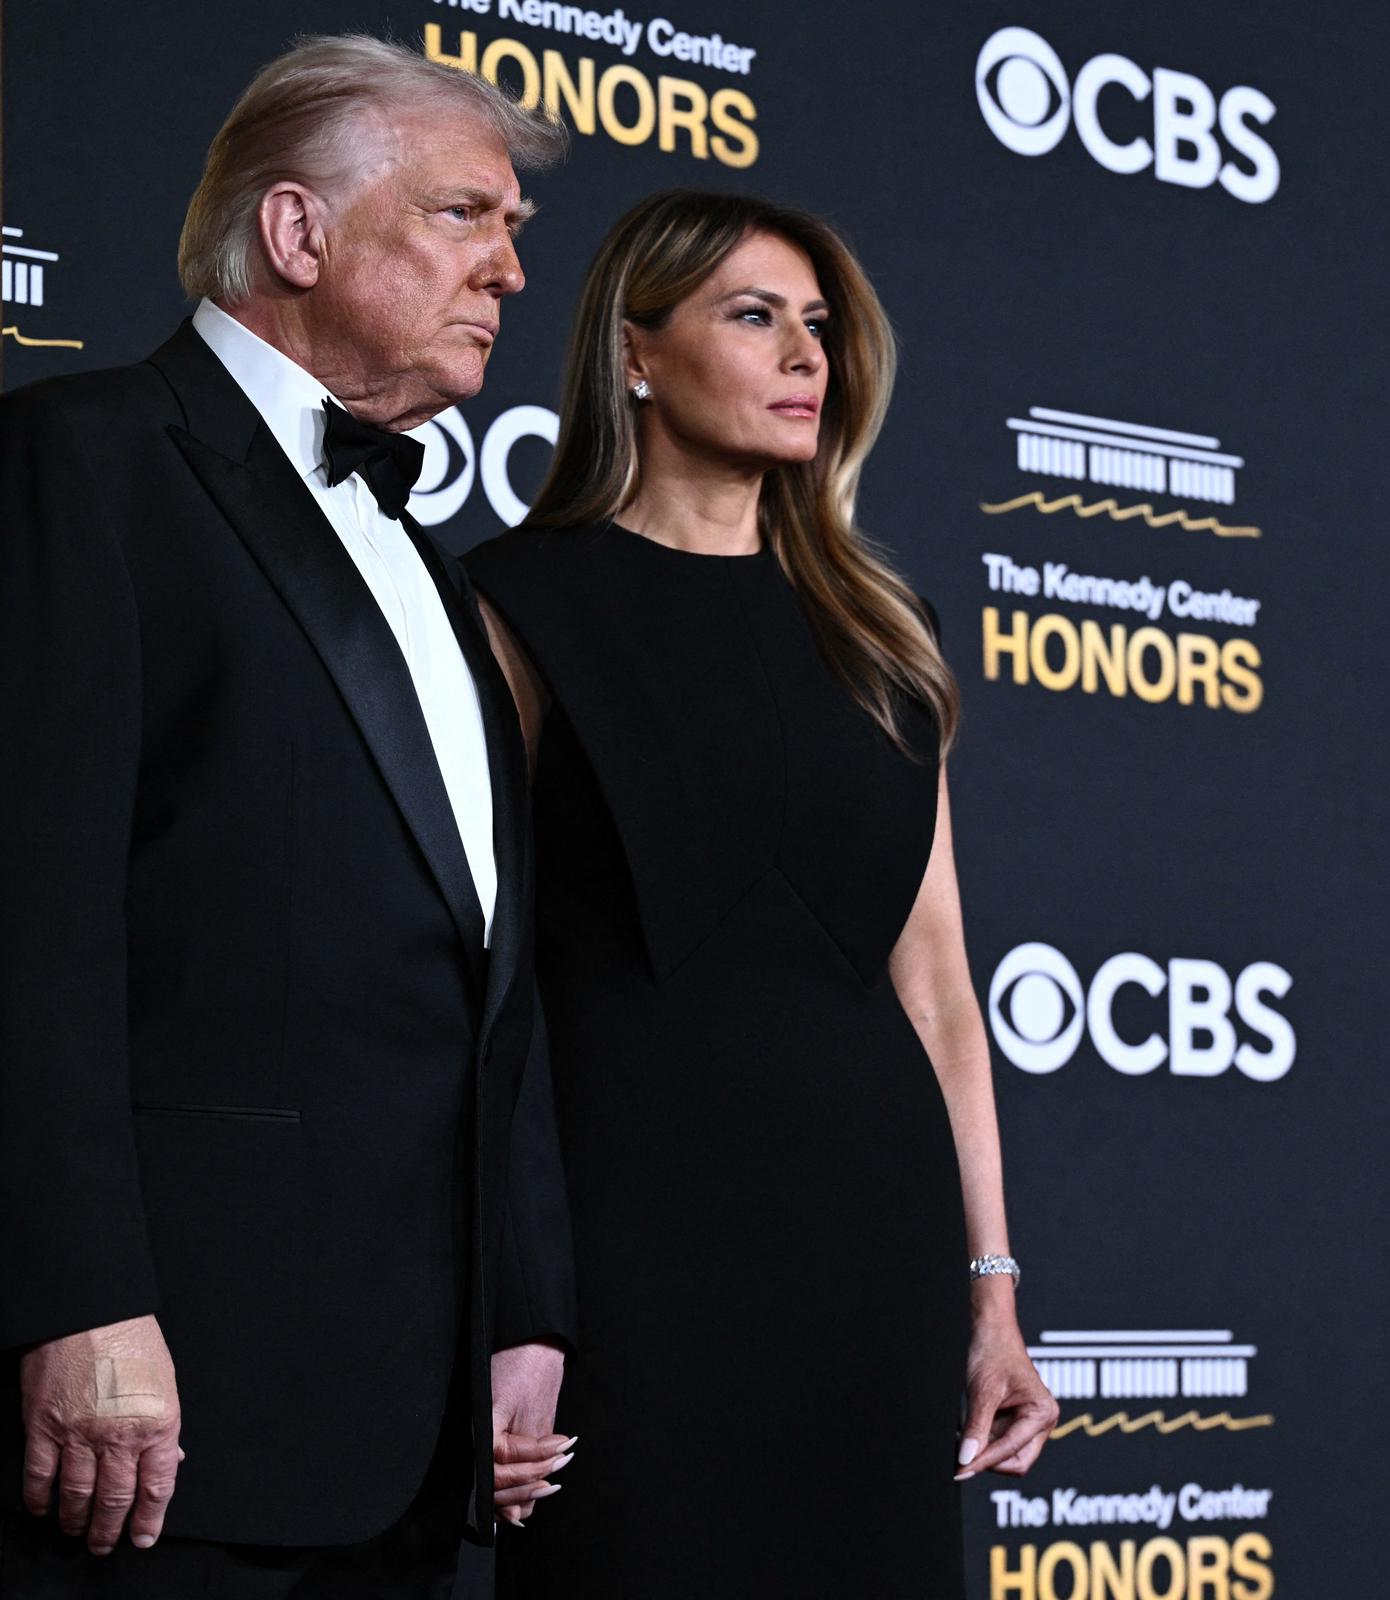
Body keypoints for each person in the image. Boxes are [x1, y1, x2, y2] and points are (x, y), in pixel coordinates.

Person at [0, 37, 579, 1595]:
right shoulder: (83, 466)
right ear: (297, 232)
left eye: (514, 230)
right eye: (468, 215)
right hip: (163, 1418)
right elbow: (27, 925)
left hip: (422, 1435)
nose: (514, 271)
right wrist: (77, 1301)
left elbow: (484, 978)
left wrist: (524, 1307)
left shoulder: (444, 581)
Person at [466, 188, 1058, 1594]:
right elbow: (478, 990)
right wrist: (508, 1299)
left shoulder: (880, 633)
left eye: (820, 327)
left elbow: (938, 989)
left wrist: (994, 1295)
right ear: (635, 352)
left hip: (873, 1249)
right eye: (754, 316)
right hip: (631, 1253)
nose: (809, 357)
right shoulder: (509, 604)